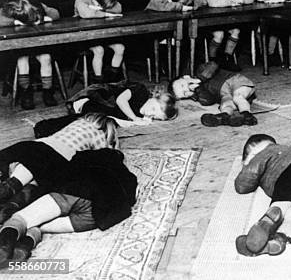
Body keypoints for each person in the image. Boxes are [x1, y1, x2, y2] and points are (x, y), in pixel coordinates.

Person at [0, 148, 137, 265]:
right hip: (95, 216)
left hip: (76, 193)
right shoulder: (128, 176)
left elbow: (58, 176)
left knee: (20, 219)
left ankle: (3, 247)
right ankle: (25, 246)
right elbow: (130, 200)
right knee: (39, 226)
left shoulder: (83, 157)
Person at [234, 134, 291, 257]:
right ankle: (281, 238)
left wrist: (246, 164)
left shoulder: (265, 153)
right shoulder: (290, 151)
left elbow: (242, 186)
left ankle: (266, 223)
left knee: (281, 205)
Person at [0, 113, 119, 203]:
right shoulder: (100, 134)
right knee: (39, 177)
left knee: (26, 164)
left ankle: (10, 186)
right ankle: (13, 201)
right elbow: (106, 155)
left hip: (35, 144)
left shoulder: (76, 122)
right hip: (57, 155)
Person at [0, 0, 60, 109]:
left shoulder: (37, 5)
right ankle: (26, 93)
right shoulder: (10, 9)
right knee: (22, 60)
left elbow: (56, 13)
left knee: (46, 58)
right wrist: (13, 22)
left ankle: (47, 91)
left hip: (38, 44)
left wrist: (47, 17)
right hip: (19, 45)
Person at [197, 0, 253, 71]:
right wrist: (232, 2)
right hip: (204, 23)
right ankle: (212, 60)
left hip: (221, 21)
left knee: (236, 31)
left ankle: (227, 58)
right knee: (219, 34)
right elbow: (213, 3)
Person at [171, 61, 257, 127]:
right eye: (185, 93)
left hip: (235, 81)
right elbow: (208, 100)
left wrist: (200, 79)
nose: (186, 89)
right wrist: (199, 89)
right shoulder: (197, 93)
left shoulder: (199, 70)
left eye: (182, 85)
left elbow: (213, 65)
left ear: (186, 77)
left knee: (238, 97)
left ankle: (247, 115)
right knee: (226, 104)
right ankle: (224, 117)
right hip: (224, 94)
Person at [74, 0, 125, 83]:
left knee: (120, 48)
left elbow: (118, 8)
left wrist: (96, 9)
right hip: (84, 37)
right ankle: (99, 82)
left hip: (103, 36)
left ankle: (111, 80)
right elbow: (86, 14)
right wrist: (106, 14)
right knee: (99, 50)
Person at [65, 81, 177, 128]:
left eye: (153, 116)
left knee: (106, 123)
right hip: (100, 98)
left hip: (106, 111)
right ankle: (79, 108)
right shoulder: (141, 91)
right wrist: (134, 118)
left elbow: (120, 119)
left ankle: (82, 117)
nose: (149, 113)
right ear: (154, 96)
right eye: (153, 108)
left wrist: (139, 122)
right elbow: (120, 100)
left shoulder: (143, 114)